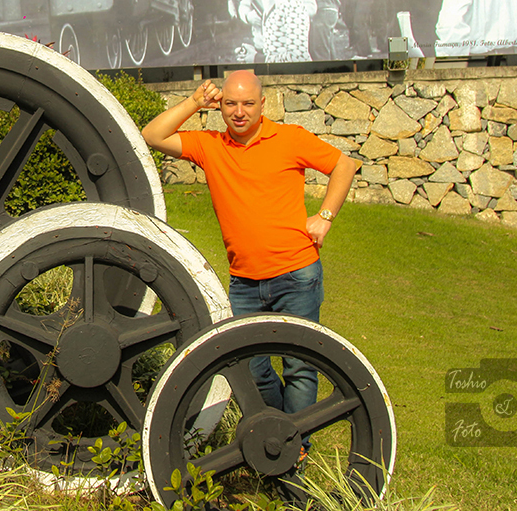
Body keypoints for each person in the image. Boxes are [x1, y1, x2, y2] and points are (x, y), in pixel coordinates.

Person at [141, 70, 359, 470]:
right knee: (251, 369)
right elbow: (152, 136)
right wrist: (193, 103)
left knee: (299, 367)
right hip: (243, 283)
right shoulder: (211, 146)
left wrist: (325, 216)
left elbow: (344, 165)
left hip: (297, 275)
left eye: (247, 103)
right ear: (220, 105)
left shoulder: (290, 138)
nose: (239, 112)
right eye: (230, 103)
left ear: (263, 104)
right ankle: (279, 432)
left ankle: (294, 449)